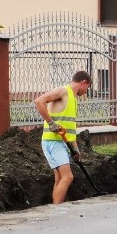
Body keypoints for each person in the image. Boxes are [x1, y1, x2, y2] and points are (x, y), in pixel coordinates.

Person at [33, 70, 92, 204]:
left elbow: (70, 127)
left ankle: (56, 206)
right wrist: (51, 123)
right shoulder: (63, 91)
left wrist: (75, 149)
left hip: (61, 142)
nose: (86, 91)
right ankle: (57, 210)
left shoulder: (72, 98)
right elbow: (39, 101)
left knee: (60, 178)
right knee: (68, 177)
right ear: (83, 82)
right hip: (54, 142)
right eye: (87, 88)